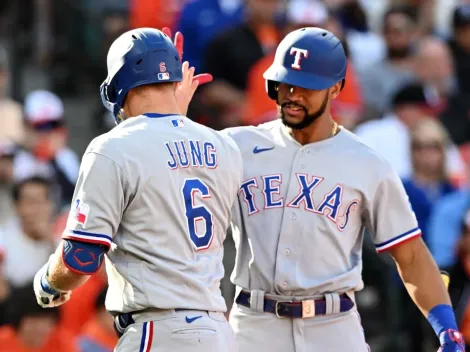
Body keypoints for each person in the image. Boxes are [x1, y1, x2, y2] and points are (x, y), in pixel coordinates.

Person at [222, 27, 466, 351]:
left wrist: (446, 328)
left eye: (307, 86)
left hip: (333, 328)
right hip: (253, 325)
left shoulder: (367, 163)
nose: (292, 93)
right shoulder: (235, 146)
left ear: (336, 88)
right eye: (285, 82)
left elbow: (411, 255)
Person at [32, 27, 242, 352]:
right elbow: (174, 158)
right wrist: (176, 113)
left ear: (117, 86)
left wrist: (48, 281)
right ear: (174, 81)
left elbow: (81, 258)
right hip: (218, 330)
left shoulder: (113, 147)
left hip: (156, 331)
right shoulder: (223, 146)